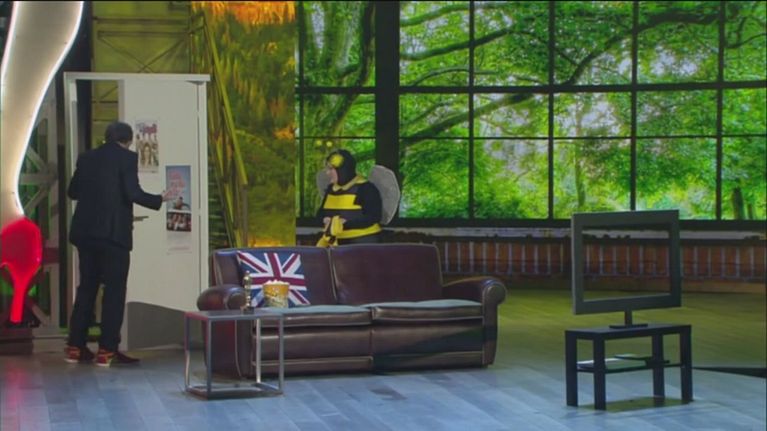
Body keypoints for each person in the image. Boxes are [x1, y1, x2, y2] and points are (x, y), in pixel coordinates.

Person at [65, 121, 172, 367]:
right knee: (114, 291)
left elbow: (73, 191)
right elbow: (132, 193)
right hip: (113, 235)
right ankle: (107, 350)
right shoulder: (126, 158)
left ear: (107, 137)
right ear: (128, 141)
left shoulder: (86, 158)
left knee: (87, 288)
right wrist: (159, 199)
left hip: (85, 234)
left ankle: (75, 346)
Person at [316, 149, 382, 246]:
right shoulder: (331, 189)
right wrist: (324, 219)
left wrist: (346, 223)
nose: (327, 173)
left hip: (364, 242)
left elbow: (373, 216)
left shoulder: (365, 188)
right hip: (336, 242)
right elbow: (320, 213)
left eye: (331, 169)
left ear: (343, 170)